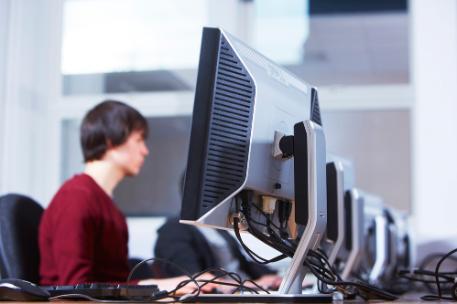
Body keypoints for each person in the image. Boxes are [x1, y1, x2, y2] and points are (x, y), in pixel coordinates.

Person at [38, 100, 209, 293]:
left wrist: (170, 284)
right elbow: (74, 288)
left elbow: (115, 281)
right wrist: (157, 285)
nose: (145, 150)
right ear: (111, 141)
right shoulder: (75, 198)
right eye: (139, 140)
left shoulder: (107, 205)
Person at [155, 218, 282, 291]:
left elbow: (241, 263)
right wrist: (257, 285)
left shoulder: (216, 228)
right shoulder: (173, 230)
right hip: (227, 294)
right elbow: (195, 279)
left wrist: (277, 277)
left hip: (246, 289)